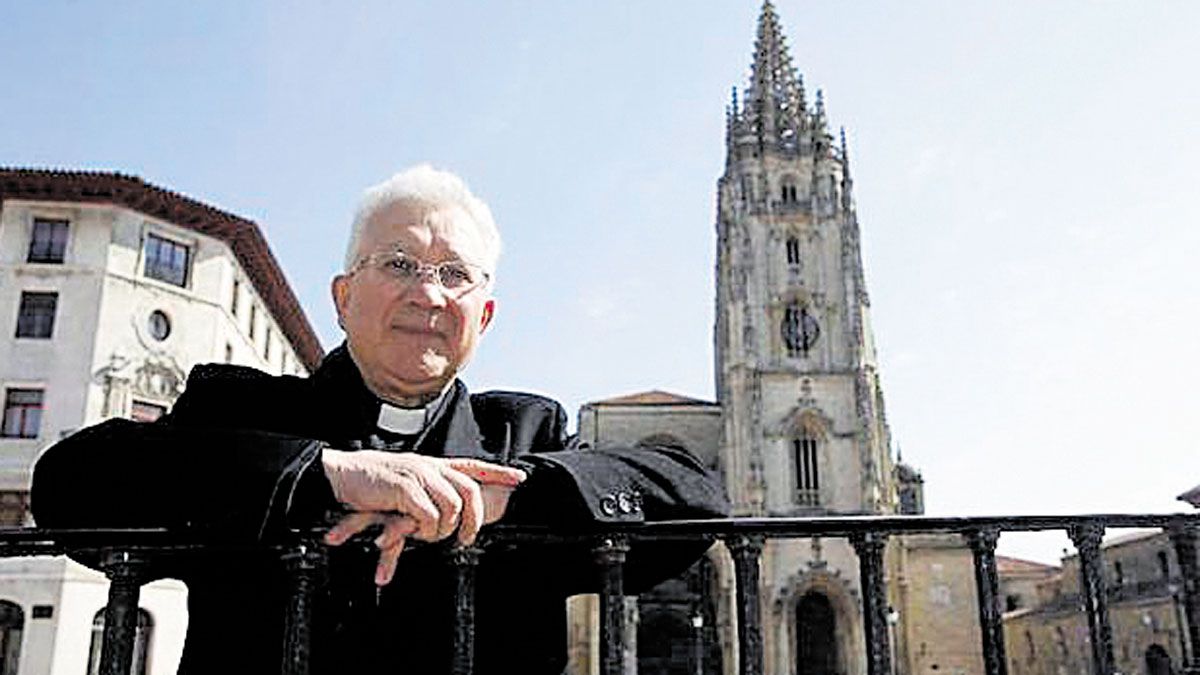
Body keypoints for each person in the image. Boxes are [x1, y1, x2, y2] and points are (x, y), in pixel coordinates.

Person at [31, 165, 729, 674]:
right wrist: (326, 473)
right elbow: (69, 486)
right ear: (342, 296)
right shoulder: (243, 410)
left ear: (482, 317)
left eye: (456, 274)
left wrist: (501, 495)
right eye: (399, 263)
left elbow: (697, 500)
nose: (428, 292)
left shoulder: (523, 434)